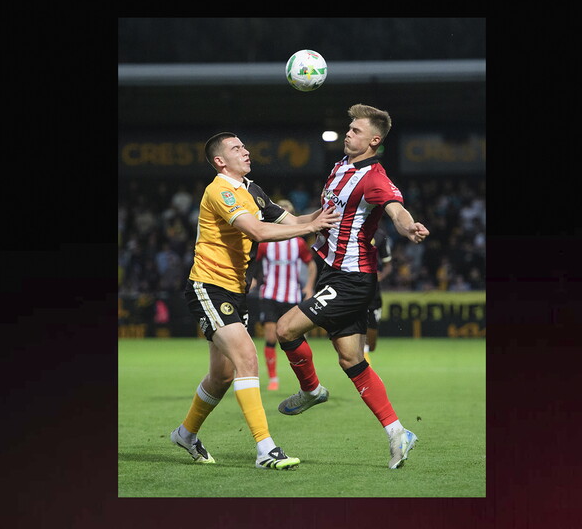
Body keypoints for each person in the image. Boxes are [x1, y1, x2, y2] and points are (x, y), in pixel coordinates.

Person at [169, 132, 340, 470]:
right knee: (248, 359)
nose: (245, 151)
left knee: (221, 375)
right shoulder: (219, 190)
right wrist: (312, 226)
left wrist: (331, 213)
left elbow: (295, 222)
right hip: (209, 285)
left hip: (235, 290)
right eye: (236, 148)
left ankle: (185, 434)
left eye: (244, 146)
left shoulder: (252, 190)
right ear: (220, 161)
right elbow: (258, 232)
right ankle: (266, 450)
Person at [274, 104, 430, 470]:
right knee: (351, 359)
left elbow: (394, 208)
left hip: (351, 278)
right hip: (333, 270)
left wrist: (408, 226)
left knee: (285, 328)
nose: (348, 133)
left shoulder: (374, 178)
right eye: (349, 128)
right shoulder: (341, 166)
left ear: (374, 140)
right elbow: (328, 212)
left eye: (356, 131)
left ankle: (311, 390)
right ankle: (398, 433)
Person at [249, 199, 317, 391]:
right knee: (271, 336)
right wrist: (252, 278)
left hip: (292, 295)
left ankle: (306, 379)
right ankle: (273, 378)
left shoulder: (298, 243)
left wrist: (309, 287)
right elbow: (252, 261)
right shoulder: (265, 242)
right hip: (270, 294)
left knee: (297, 338)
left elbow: (311, 265)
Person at [362, 226, 392, 365]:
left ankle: (364, 351)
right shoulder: (350, 229)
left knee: (372, 344)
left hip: (374, 291)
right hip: (355, 287)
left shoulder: (380, 235)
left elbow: (388, 265)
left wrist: (381, 276)